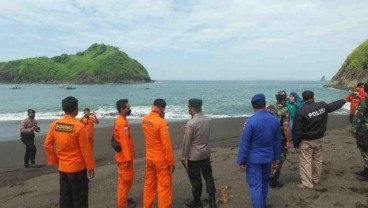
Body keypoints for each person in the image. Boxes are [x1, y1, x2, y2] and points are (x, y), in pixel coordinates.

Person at [44, 96, 95, 208]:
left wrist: (56, 161)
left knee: (65, 199)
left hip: (63, 168)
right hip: (78, 169)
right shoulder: (78, 126)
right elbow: (85, 149)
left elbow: (47, 145)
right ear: (76, 109)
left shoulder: (55, 125)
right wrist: (90, 167)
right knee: (80, 200)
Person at [293, 91, 346, 189]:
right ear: (313, 97)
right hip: (319, 138)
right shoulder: (322, 106)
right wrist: (345, 99)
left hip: (307, 140)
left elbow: (297, 130)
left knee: (306, 161)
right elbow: (334, 105)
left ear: (303, 99)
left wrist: (296, 144)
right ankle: (316, 179)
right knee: (318, 159)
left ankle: (307, 183)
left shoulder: (301, 111)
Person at [237, 93, 281, 208]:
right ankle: (262, 204)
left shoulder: (251, 121)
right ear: (265, 104)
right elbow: (277, 141)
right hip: (268, 157)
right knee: (264, 183)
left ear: (253, 106)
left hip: (253, 159)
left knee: (255, 185)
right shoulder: (274, 120)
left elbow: (244, 142)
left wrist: (241, 161)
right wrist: (276, 158)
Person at [181, 99, 217, 208]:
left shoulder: (191, 123)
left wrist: (183, 156)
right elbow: (202, 133)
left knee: (196, 180)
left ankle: (197, 202)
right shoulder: (208, 119)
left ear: (192, 108)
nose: (188, 109)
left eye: (189, 108)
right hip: (205, 153)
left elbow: (187, 142)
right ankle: (212, 201)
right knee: (208, 176)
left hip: (194, 156)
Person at [141, 98, 175, 208]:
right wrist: (171, 162)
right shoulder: (162, 122)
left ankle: (147, 205)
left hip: (149, 157)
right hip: (161, 160)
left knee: (149, 184)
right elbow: (167, 144)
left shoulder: (144, 120)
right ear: (161, 109)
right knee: (164, 186)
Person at [266, 90, 292, 188]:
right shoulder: (285, 110)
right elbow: (286, 127)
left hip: (267, 138)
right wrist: (288, 140)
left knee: (269, 157)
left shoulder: (269, 108)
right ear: (284, 99)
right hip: (280, 139)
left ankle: (267, 176)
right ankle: (273, 180)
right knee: (280, 158)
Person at [114, 99, 136, 208]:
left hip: (125, 156)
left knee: (127, 180)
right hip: (124, 158)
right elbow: (124, 142)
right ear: (122, 109)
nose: (129, 109)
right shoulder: (122, 123)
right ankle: (122, 204)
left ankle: (124, 199)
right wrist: (128, 159)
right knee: (124, 181)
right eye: (127, 108)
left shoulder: (121, 120)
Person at [351, 83, 368, 181]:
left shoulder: (364, 102)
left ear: (365, 90)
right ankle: (365, 170)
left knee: (365, 151)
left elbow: (358, 117)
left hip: (365, 130)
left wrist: (353, 130)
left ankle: (367, 174)